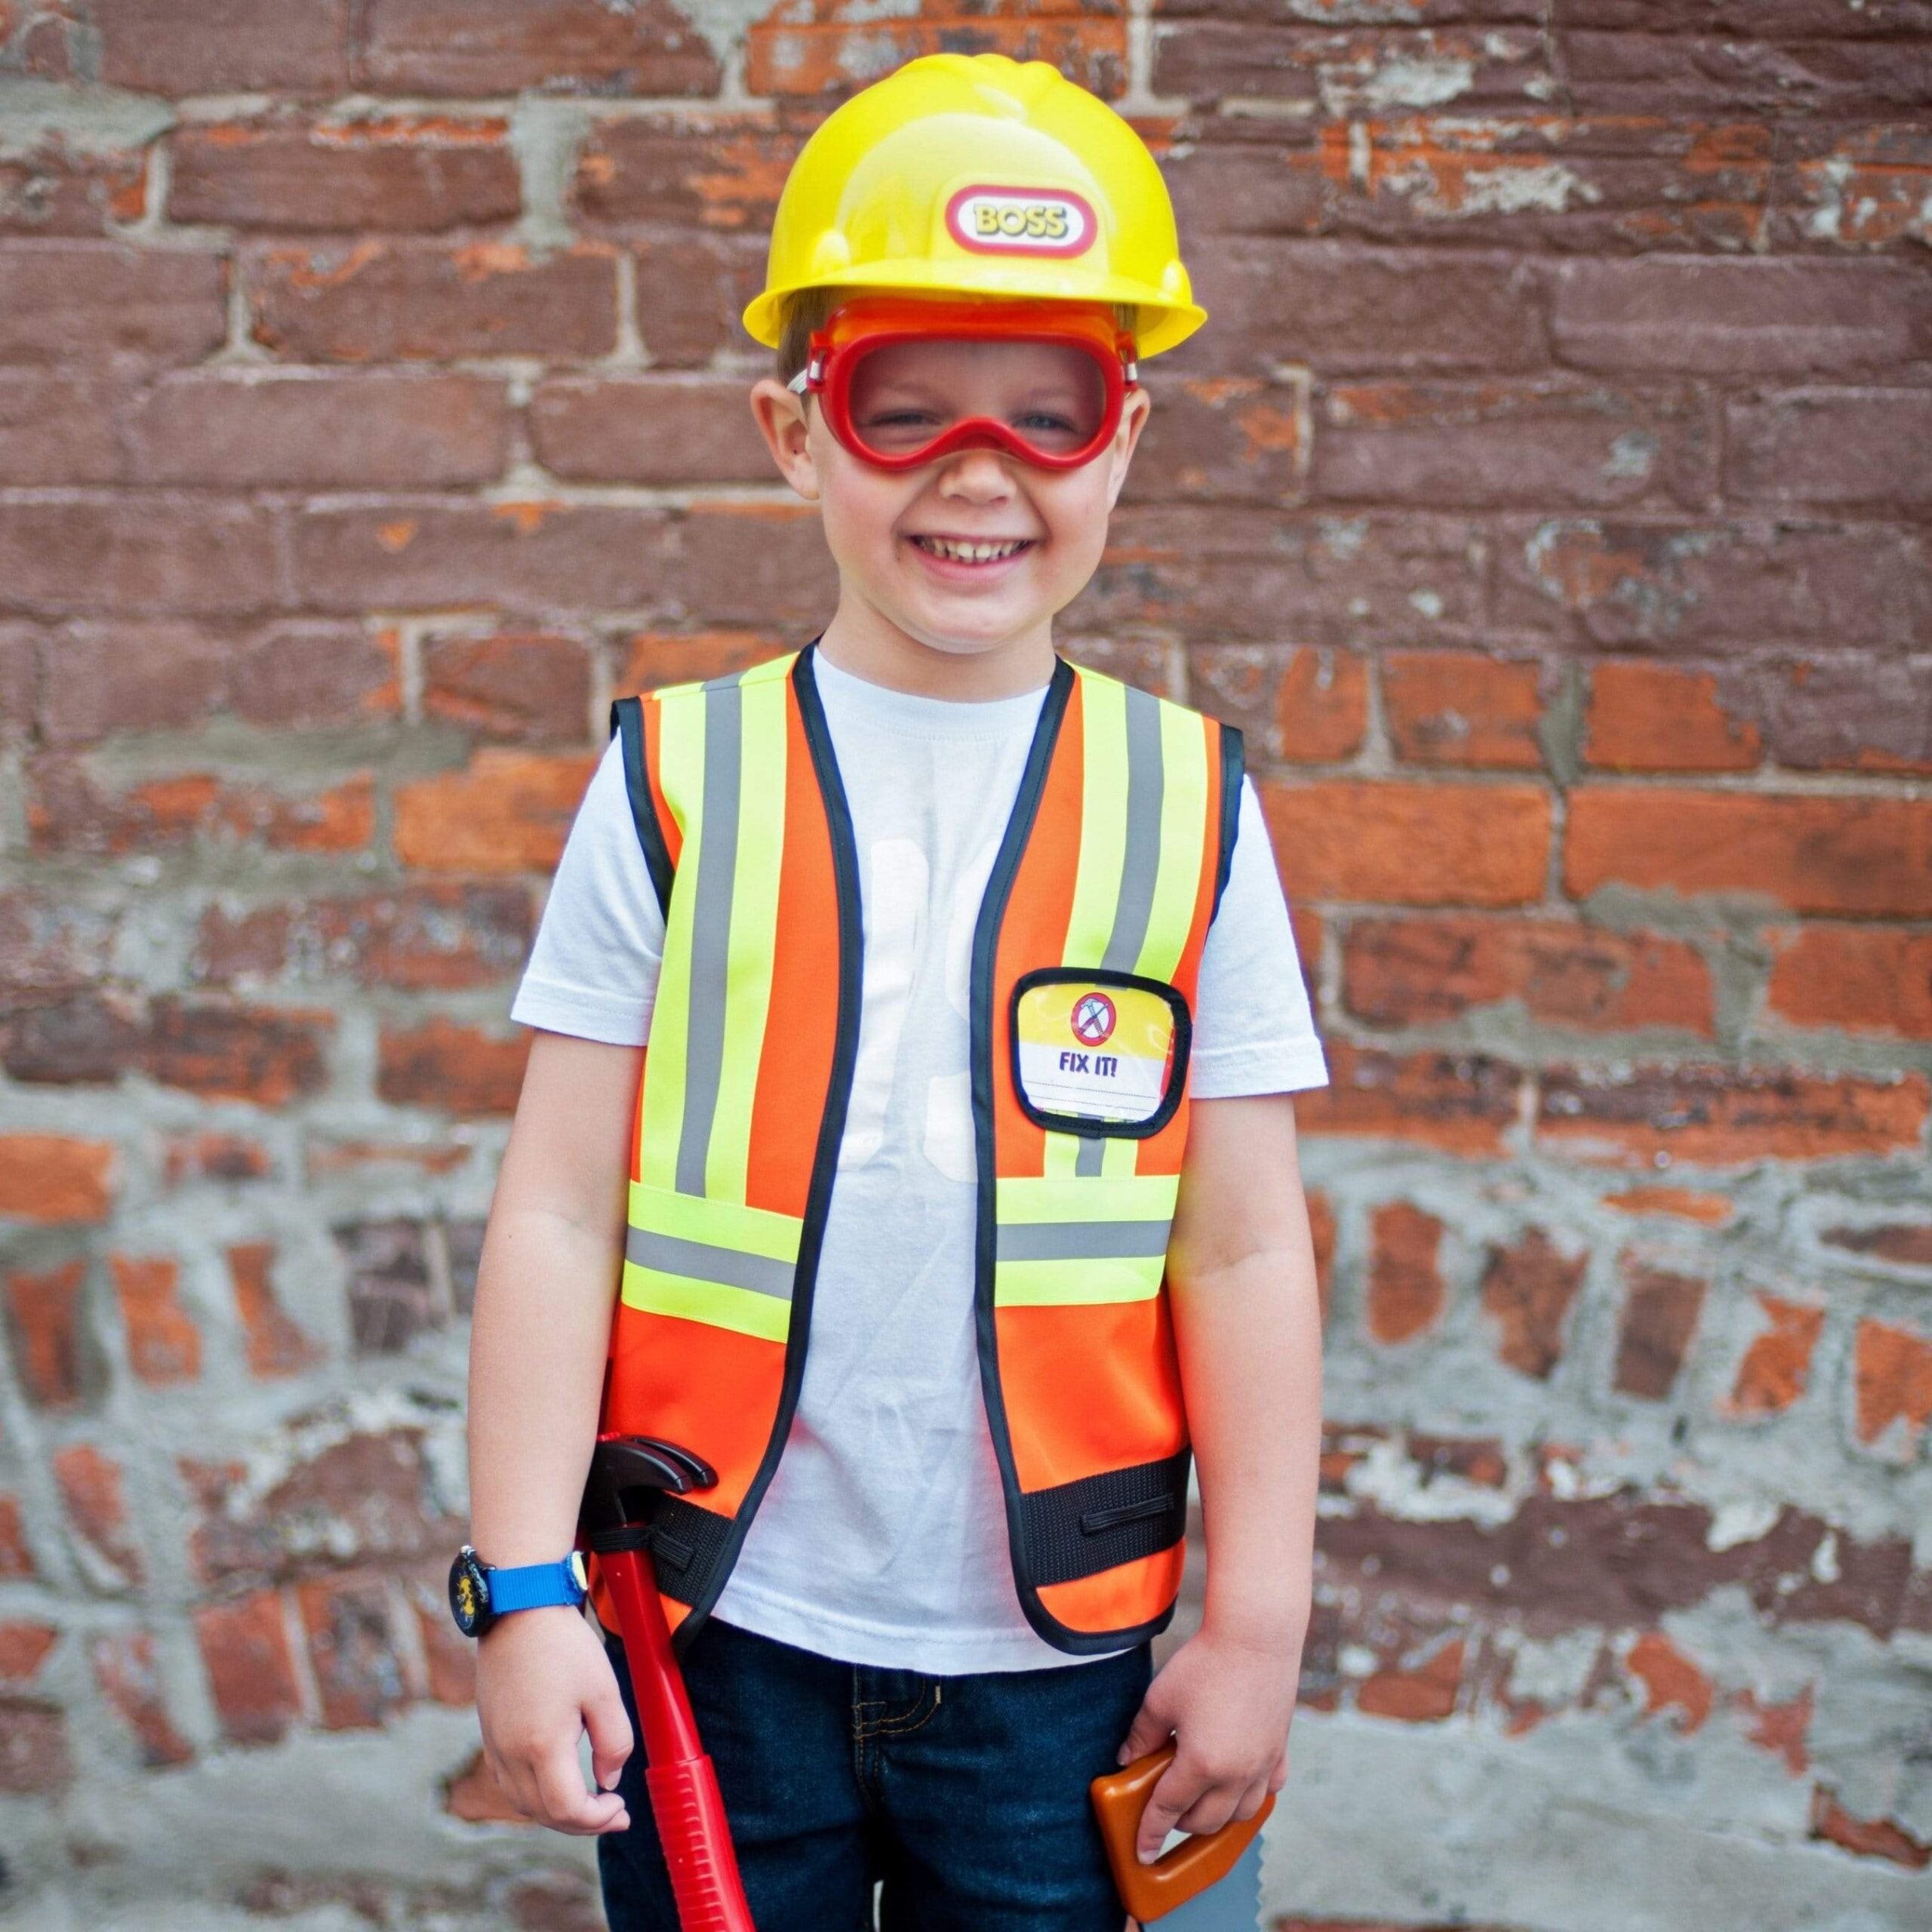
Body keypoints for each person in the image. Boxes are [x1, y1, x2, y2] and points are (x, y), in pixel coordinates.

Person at [457, 51, 1329, 1932]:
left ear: (1124, 444)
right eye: (899, 402)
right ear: (793, 430)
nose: (977, 467)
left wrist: (1254, 1626)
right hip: (711, 1634)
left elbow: (1243, 1253)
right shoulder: (678, 782)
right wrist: (522, 1589)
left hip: (1064, 1667)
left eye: (1049, 407)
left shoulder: (1190, 810)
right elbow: (554, 1204)